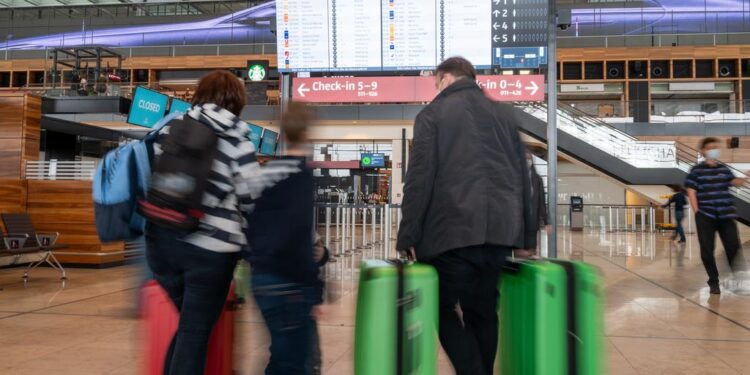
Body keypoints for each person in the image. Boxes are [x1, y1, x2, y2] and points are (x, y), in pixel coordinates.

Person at [396, 57, 536, 375]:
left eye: (435, 82)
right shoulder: (503, 115)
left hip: (450, 234)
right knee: (484, 313)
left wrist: (408, 237)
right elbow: (523, 178)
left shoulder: (432, 115)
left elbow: (419, 180)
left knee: (440, 306)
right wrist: (527, 237)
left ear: (445, 78)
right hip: (499, 235)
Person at [145, 70, 259, 375]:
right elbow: (252, 201)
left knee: (189, 329)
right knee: (194, 334)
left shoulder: (172, 126)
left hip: (162, 244)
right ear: (237, 100)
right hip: (210, 253)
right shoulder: (238, 137)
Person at [243, 102, 321, 374]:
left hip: (261, 278)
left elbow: (249, 224)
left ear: (283, 135)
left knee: (281, 355)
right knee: (295, 363)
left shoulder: (266, 173)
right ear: (308, 134)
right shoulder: (301, 175)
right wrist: (316, 286)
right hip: (289, 283)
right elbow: (298, 234)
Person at [685, 137, 746, 294]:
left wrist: (745, 176)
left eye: (715, 147)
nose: (714, 150)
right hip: (706, 215)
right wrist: (697, 211)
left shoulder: (724, 169)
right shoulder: (696, 170)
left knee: (733, 246)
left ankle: (737, 280)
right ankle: (713, 281)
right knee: (707, 250)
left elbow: (734, 182)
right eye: (710, 147)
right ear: (703, 151)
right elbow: (691, 191)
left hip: (726, 214)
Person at [516, 150, 550, 258]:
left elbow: (542, 202)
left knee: (531, 251)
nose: (527, 161)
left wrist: (546, 222)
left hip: (532, 222)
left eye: (529, 159)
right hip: (518, 223)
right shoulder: (516, 178)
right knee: (519, 253)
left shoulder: (537, 179)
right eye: (525, 159)